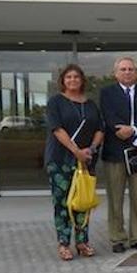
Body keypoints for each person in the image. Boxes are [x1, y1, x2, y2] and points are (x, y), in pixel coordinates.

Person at [44, 64, 104, 261]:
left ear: (82, 80)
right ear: (63, 81)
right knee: (62, 203)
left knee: (82, 202)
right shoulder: (55, 102)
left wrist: (91, 149)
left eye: (76, 77)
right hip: (60, 160)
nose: (72, 80)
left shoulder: (90, 104)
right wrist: (75, 150)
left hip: (85, 161)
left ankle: (82, 242)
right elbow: (57, 130)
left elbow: (100, 129)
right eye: (68, 77)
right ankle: (63, 244)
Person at [100, 56, 137, 253]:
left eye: (130, 69)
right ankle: (117, 238)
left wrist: (134, 131)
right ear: (116, 73)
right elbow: (110, 120)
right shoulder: (107, 93)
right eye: (123, 69)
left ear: (136, 72)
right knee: (115, 199)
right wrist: (135, 138)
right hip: (115, 154)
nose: (127, 72)